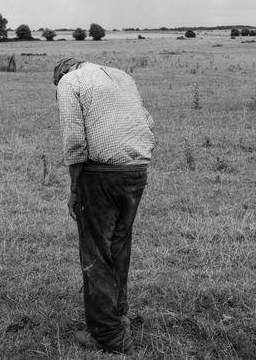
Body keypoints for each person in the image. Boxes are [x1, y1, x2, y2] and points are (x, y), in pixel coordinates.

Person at [53, 57, 155, 355]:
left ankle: (108, 335)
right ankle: (118, 313)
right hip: (136, 170)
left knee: (96, 250)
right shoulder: (122, 76)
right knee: (119, 245)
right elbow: (147, 121)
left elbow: (74, 138)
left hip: (101, 174)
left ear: (62, 74)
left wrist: (74, 188)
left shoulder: (70, 83)